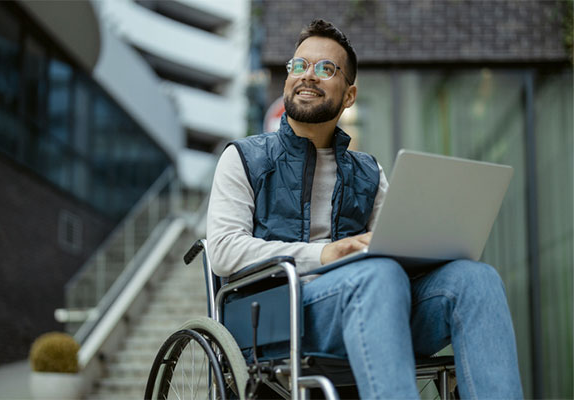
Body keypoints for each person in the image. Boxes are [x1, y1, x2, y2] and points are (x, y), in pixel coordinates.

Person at [207, 19, 523, 399]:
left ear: (350, 95)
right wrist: (324, 254)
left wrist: (431, 249)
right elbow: (223, 251)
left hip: (375, 303)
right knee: (378, 275)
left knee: (476, 280)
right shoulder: (244, 157)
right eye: (299, 65)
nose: (308, 76)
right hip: (279, 314)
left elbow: (390, 248)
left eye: (325, 69)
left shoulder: (368, 171)